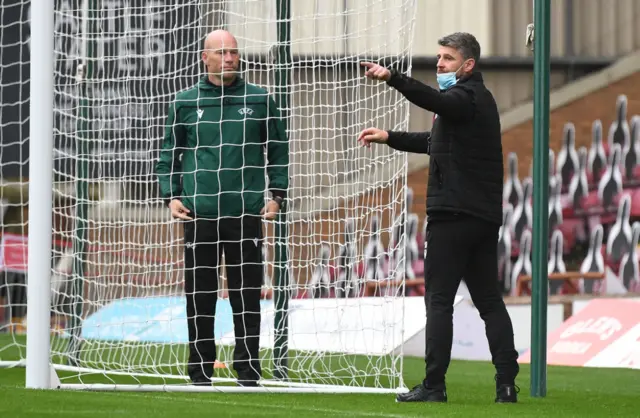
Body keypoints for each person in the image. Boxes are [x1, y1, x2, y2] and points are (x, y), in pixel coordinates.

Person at [358, 32, 520, 403]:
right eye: (439, 57)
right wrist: (389, 136)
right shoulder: (476, 103)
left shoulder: (464, 97)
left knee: (439, 300)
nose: (440, 64)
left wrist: (394, 78)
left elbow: (434, 100)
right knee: (489, 301)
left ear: (468, 65)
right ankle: (506, 385)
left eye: (447, 58)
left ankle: (433, 386)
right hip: (480, 217)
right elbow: (436, 143)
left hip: (453, 215)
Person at [155, 30, 289, 387]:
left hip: (245, 214)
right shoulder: (185, 102)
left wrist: (277, 194)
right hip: (199, 215)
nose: (229, 58)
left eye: (234, 52)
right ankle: (199, 371)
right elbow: (170, 152)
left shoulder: (260, 100)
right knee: (199, 296)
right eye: (221, 52)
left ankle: (248, 371)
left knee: (246, 297)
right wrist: (171, 195)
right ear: (205, 57)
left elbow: (277, 149)